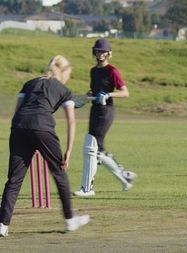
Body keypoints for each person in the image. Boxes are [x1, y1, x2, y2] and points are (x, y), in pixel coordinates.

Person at [0, 55, 89, 237]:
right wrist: (69, 151)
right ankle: (70, 220)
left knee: (14, 179)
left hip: (19, 126)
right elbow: (71, 121)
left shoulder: (29, 83)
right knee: (59, 173)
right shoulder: (64, 90)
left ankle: (2, 224)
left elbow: (17, 111)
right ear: (64, 71)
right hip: (43, 128)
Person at [74, 38, 136, 197]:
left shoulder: (112, 71)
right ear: (94, 52)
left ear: (109, 53)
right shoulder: (93, 71)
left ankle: (87, 188)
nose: (100, 54)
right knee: (97, 150)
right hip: (95, 110)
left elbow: (125, 92)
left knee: (92, 147)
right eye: (98, 51)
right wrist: (88, 95)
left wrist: (109, 94)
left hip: (106, 111)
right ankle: (125, 177)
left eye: (103, 51)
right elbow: (94, 89)